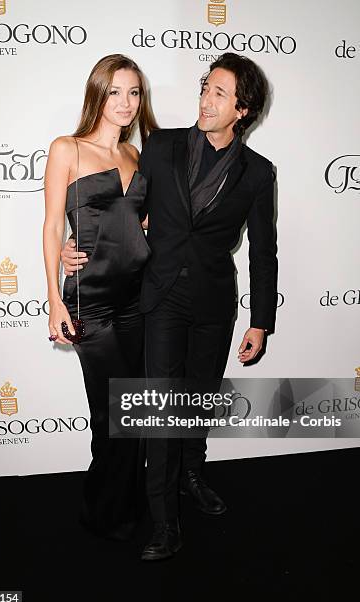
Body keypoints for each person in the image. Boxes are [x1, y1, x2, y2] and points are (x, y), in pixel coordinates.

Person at [62, 52, 278, 561]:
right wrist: (80, 244)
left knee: (196, 403)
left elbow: (264, 252)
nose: (206, 99)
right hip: (157, 300)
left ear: (241, 109)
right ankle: (164, 521)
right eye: (206, 88)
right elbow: (123, 209)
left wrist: (261, 321)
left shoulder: (259, 173)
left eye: (219, 93)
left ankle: (192, 476)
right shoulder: (160, 147)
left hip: (213, 304)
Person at [43, 53, 157, 540]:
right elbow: (51, 227)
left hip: (137, 297)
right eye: (115, 92)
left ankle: (126, 507)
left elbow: (138, 222)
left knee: (134, 410)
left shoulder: (137, 155)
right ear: (98, 94)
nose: (126, 103)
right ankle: (104, 513)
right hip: (92, 298)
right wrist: (54, 298)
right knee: (111, 413)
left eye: (134, 92)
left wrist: (144, 227)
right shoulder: (67, 148)